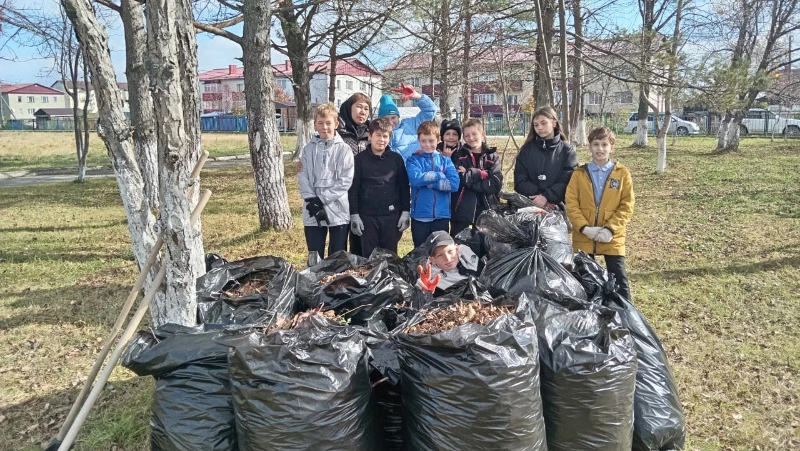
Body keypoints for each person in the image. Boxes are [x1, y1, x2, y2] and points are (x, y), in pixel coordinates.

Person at [565, 126, 635, 300]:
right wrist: (584, 228)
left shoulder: (622, 174)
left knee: (619, 279)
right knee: (585, 280)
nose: (600, 149)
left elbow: (627, 205)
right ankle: (589, 315)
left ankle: (626, 317)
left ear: (612, 147)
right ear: (590, 147)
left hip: (612, 236)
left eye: (605, 144)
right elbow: (571, 203)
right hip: (584, 235)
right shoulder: (579, 174)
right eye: (596, 144)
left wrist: (610, 229)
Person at [298, 103, 354, 260]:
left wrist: (323, 199)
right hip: (312, 208)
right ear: (315, 124)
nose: (324, 127)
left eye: (328, 123)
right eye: (320, 123)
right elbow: (303, 176)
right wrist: (312, 200)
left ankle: (335, 282)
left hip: (338, 208)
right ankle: (314, 282)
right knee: (314, 255)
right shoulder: (308, 150)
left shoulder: (344, 150)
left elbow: (345, 180)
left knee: (337, 256)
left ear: (336, 124)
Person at [348, 117, 411, 257]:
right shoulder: (359, 160)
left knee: (390, 256)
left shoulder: (396, 159)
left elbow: (403, 186)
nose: (381, 139)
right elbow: (354, 188)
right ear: (370, 136)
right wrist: (354, 214)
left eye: (385, 136)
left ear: (389, 138)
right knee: (369, 257)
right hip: (367, 217)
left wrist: (405, 212)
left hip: (391, 217)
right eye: (377, 135)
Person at [406, 121, 460, 248]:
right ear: (418, 139)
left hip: (441, 216)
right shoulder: (413, 160)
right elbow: (415, 179)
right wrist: (439, 175)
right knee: (420, 253)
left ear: (438, 140)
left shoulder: (445, 161)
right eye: (423, 141)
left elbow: (454, 184)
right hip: (420, 216)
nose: (427, 144)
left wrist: (431, 183)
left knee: (440, 252)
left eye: (431, 140)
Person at [514, 106, 579, 210]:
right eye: (536, 125)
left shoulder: (567, 151)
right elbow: (520, 180)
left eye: (543, 123)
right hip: (530, 206)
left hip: (558, 207)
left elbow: (568, 180)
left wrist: (547, 197)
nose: (539, 127)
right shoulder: (526, 150)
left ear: (554, 123)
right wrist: (539, 198)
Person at [450, 118, 502, 237]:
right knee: (460, 247)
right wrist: (481, 174)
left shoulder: (492, 156)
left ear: (483, 134)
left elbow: (495, 184)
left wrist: (469, 178)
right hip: (461, 209)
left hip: (487, 207)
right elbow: (458, 179)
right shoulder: (459, 155)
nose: (471, 138)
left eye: (474, 134)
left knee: (485, 247)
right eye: (467, 135)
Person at [337, 92, 372, 256]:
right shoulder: (337, 133)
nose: (363, 112)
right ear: (348, 108)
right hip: (340, 194)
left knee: (360, 239)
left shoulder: (372, 134)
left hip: (363, 194)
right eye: (358, 107)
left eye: (366, 108)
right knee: (340, 240)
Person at [377, 82, 438, 161]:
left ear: (398, 117)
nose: (391, 122)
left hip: (415, 171)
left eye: (393, 118)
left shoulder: (411, 124)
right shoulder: (377, 135)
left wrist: (416, 96)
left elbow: (430, 110)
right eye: (385, 119)